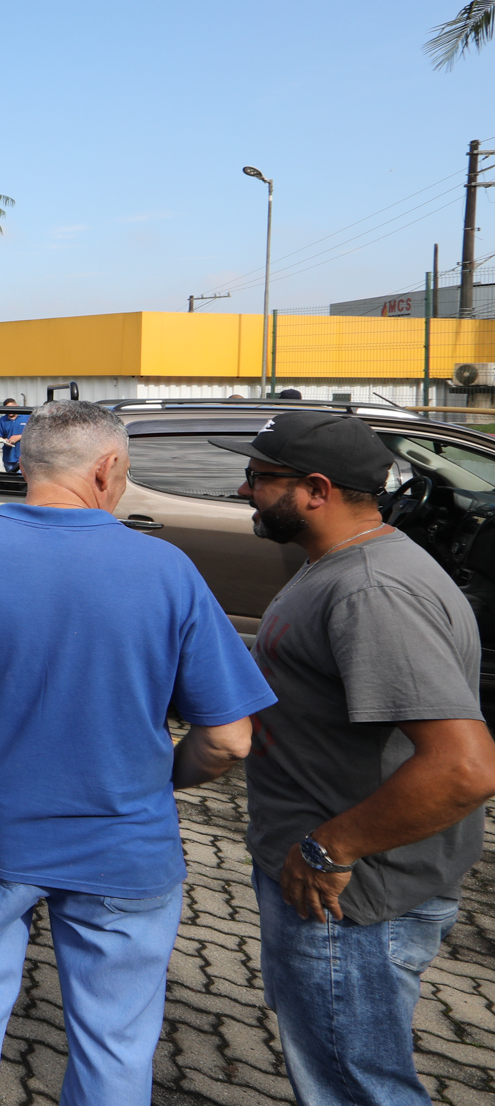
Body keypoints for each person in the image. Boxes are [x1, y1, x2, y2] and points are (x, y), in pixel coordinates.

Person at [0, 401, 275, 1104]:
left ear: (23, 465)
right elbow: (229, 740)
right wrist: (162, 780)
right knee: (114, 1039)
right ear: (107, 468)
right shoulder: (166, 569)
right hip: (123, 846)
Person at [211, 411, 495, 1105]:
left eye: (257, 477)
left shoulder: (372, 589)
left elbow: (463, 767)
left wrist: (327, 848)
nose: (242, 489)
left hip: (350, 898)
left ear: (314, 489)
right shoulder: (342, 566)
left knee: (356, 1087)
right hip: (337, 887)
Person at [0, 398, 27, 473]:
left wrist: (19, 436)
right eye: (7, 409)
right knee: (11, 481)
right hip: (8, 457)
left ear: (16, 406)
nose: (9, 411)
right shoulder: (2, 420)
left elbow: (33, 433)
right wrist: (4, 441)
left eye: (11, 408)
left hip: (23, 457)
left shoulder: (26, 417)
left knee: (21, 481)